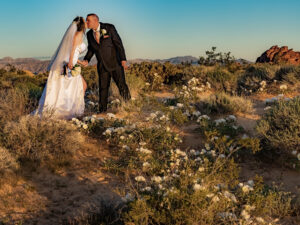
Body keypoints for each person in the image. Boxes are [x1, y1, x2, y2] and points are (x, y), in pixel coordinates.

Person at [32, 17, 88, 119]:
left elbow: (74, 52)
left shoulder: (77, 34)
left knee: (78, 87)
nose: (86, 22)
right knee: (78, 87)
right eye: (85, 21)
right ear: (82, 25)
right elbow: (72, 51)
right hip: (69, 65)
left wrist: (80, 62)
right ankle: (71, 111)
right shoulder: (77, 35)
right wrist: (71, 63)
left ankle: (73, 109)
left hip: (71, 63)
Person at [82, 13, 131, 113]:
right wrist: (87, 59)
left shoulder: (109, 28)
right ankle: (102, 111)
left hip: (115, 63)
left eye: (88, 20)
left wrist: (123, 59)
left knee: (122, 85)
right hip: (102, 65)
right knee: (103, 88)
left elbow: (118, 43)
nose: (86, 22)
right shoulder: (89, 35)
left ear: (96, 20)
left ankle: (129, 106)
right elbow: (91, 49)